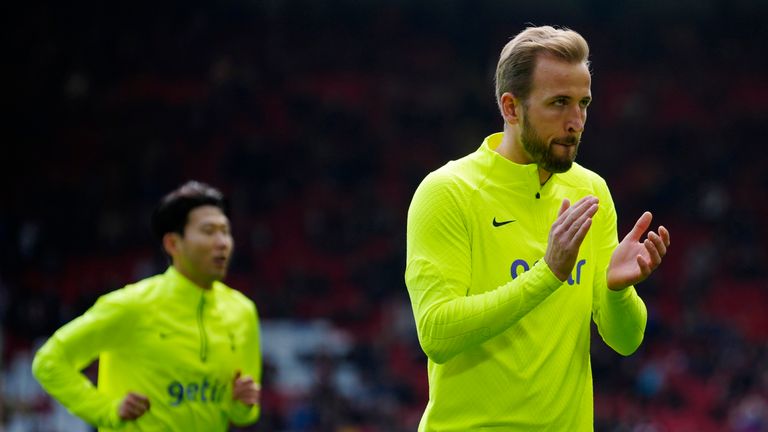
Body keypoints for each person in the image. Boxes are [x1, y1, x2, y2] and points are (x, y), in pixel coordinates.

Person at [405, 25, 671, 431]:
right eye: (559, 103)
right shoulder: (448, 192)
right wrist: (548, 274)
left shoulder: (590, 191)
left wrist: (618, 292)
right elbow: (437, 333)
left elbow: (626, 340)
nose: (576, 122)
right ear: (512, 108)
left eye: (583, 103)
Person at [32, 180, 262, 431]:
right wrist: (106, 410)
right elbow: (49, 361)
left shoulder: (242, 312)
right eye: (208, 231)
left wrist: (243, 405)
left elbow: (244, 414)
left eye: (225, 231)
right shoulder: (132, 306)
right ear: (173, 244)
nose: (222, 242)